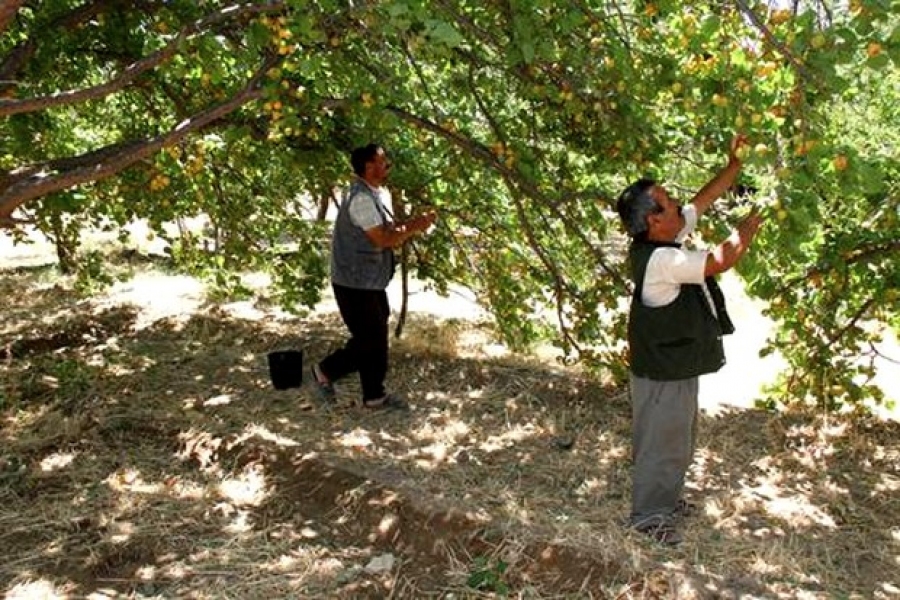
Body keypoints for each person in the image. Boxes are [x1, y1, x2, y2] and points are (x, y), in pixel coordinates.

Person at [615, 135, 764, 545]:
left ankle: (666, 502)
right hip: (662, 372)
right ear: (652, 221)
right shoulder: (663, 259)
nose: (678, 204)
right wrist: (749, 227)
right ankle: (649, 519)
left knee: (676, 438)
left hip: (672, 363)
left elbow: (703, 199)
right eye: (667, 203)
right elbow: (720, 260)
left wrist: (733, 165)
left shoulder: (664, 238)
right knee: (661, 443)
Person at [310, 143, 437, 410]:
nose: (387, 166)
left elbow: (385, 230)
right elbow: (383, 239)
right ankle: (326, 372)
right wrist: (416, 226)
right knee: (370, 339)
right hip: (354, 282)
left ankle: (372, 395)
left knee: (374, 338)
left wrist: (411, 224)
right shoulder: (361, 199)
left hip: (366, 281)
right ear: (369, 167)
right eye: (382, 162)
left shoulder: (369, 194)